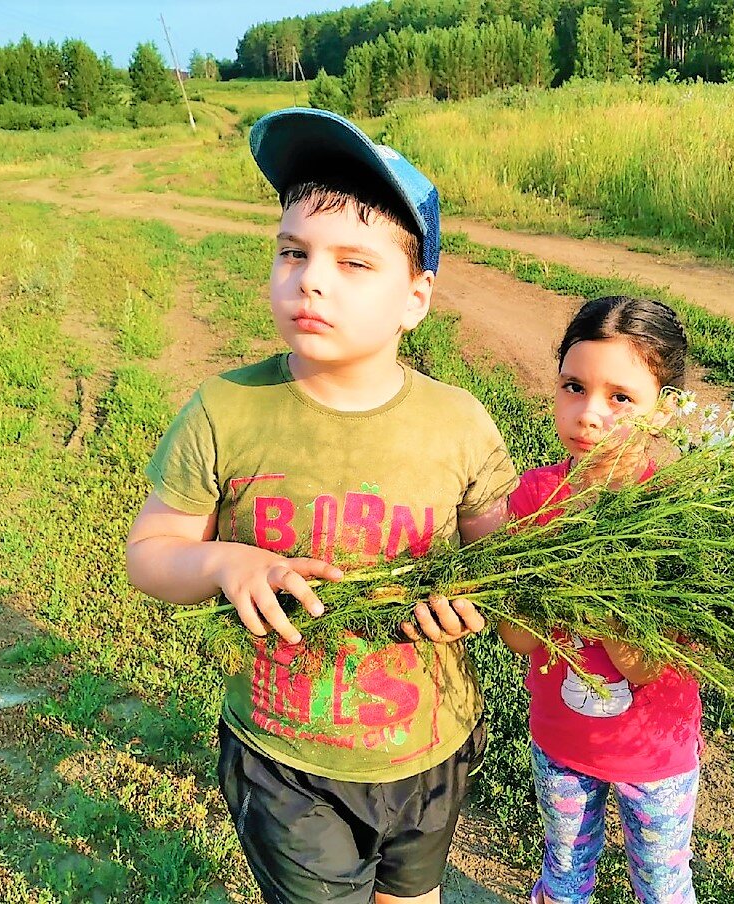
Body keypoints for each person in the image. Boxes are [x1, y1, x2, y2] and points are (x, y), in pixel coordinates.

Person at [125, 108, 518, 904]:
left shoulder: (459, 423)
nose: (311, 278)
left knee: (413, 896)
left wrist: (472, 599)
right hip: (286, 757)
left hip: (429, 745)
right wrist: (223, 561)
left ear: (416, 297)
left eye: (353, 264)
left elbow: (498, 566)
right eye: (293, 252)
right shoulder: (225, 410)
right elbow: (150, 552)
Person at [498, 296, 703, 904]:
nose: (588, 415)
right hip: (561, 739)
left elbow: (644, 663)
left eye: (621, 398)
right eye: (573, 386)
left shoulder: (673, 511)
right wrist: (536, 587)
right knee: (564, 878)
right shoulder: (536, 497)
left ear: (664, 412)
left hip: (655, 754)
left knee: (663, 886)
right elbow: (518, 637)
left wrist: (588, 585)